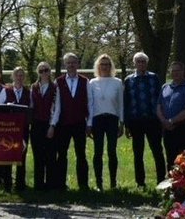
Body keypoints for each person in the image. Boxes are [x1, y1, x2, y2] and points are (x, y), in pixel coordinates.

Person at [123, 51, 165, 188]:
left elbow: (161, 99)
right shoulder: (128, 80)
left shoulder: (154, 78)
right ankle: (140, 183)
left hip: (153, 120)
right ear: (134, 63)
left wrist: (162, 118)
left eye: (143, 61)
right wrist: (126, 124)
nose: (141, 64)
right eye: (138, 61)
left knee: (157, 151)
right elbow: (126, 103)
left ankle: (161, 181)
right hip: (136, 121)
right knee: (138, 153)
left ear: (147, 63)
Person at [50, 52, 90, 190]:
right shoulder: (58, 82)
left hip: (79, 122)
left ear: (78, 64)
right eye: (69, 63)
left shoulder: (85, 81)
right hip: (63, 123)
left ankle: (83, 185)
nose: (71, 65)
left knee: (81, 154)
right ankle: (60, 184)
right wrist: (53, 124)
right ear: (65, 65)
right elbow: (56, 105)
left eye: (74, 62)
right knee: (61, 154)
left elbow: (89, 103)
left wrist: (89, 123)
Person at [88, 54, 125, 190]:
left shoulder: (117, 82)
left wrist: (121, 123)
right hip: (97, 119)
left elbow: (121, 104)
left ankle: (113, 183)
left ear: (111, 66)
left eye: (107, 64)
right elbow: (90, 104)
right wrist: (89, 124)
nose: (104, 67)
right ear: (98, 66)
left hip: (112, 119)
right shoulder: (92, 83)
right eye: (102, 64)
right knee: (98, 152)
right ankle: (99, 183)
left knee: (111, 151)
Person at [158, 61, 185, 171]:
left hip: (184, 129)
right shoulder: (165, 87)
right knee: (170, 158)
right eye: (173, 71)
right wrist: (164, 121)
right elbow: (158, 106)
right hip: (168, 129)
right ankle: (171, 183)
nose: (175, 73)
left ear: (183, 71)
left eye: (178, 71)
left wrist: (172, 121)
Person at [30, 62, 57, 191]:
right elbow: (31, 106)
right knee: (38, 155)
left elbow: (57, 108)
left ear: (50, 71)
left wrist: (52, 126)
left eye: (46, 70)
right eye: (41, 71)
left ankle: (51, 184)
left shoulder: (55, 87)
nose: (44, 73)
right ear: (38, 73)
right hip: (36, 124)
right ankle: (39, 185)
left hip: (49, 124)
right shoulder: (33, 87)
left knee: (50, 155)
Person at [6, 66, 32, 191]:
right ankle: (7, 182)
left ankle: (20, 183)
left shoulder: (28, 92)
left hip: (23, 129)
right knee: (9, 152)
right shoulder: (6, 91)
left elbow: (31, 109)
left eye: (22, 75)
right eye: (17, 75)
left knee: (22, 153)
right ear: (13, 76)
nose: (19, 78)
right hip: (9, 129)